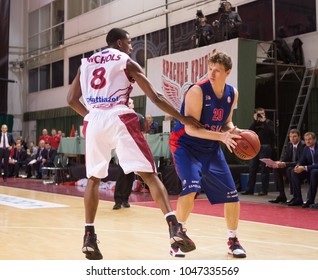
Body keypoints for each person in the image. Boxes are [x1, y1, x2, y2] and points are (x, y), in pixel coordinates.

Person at [67, 27, 201, 260]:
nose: (131, 46)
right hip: (119, 116)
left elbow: (70, 99)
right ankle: (174, 228)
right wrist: (182, 118)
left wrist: (92, 115)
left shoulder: (86, 62)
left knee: (93, 179)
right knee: (150, 175)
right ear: (119, 43)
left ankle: (88, 235)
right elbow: (156, 96)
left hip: (94, 119)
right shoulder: (126, 61)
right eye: (129, 42)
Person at [169, 51, 246, 258]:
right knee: (191, 188)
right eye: (210, 68)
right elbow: (191, 129)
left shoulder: (232, 93)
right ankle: (178, 237)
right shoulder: (197, 91)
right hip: (186, 146)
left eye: (217, 70)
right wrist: (221, 137)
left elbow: (226, 122)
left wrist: (232, 130)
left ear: (227, 72)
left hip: (210, 147)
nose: (211, 73)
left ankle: (233, 240)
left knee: (232, 195)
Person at [112, 98, 146, 210]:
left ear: (133, 105)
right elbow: (115, 134)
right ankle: (118, 200)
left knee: (131, 175)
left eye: (130, 103)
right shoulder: (119, 117)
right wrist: (116, 147)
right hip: (122, 149)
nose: (129, 105)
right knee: (122, 174)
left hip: (134, 149)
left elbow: (142, 134)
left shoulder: (139, 117)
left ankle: (125, 199)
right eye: (127, 103)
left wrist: (142, 149)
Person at [241, 108, 275, 196]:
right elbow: (249, 132)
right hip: (254, 148)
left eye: (262, 113)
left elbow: (271, 134)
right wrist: (255, 121)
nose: (261, 115)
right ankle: (249, 189)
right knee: (252, 168)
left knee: (264, 169)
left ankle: (264, 190)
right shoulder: (255, 124)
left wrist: (264, 121)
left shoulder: (268, 123)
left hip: (265, 147)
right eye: (259, 114)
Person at [268, 129, 305, 203]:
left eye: (294, 136)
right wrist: (277, 163)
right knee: (276, 169)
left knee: (290, 170)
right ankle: (282, 195)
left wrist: (285, 164)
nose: (292, 138)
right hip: (290, 166)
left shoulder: (303, 145)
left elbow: (301, 161)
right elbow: (285, 158)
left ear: (299, 137)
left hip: (300, 167)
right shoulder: (289, 145)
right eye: (290, 137)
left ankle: (296, 196)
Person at [289, 132, 318, 208]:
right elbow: (301, 160)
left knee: (314, 172)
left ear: (314, 139)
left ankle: (310, 200)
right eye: (306, 140)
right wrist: (298, 166)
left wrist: (305, 168)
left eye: (310, 139)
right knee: (294, 171)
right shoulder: (306, 148)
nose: (307, 141)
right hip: (310, 169)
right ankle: (298, 198)